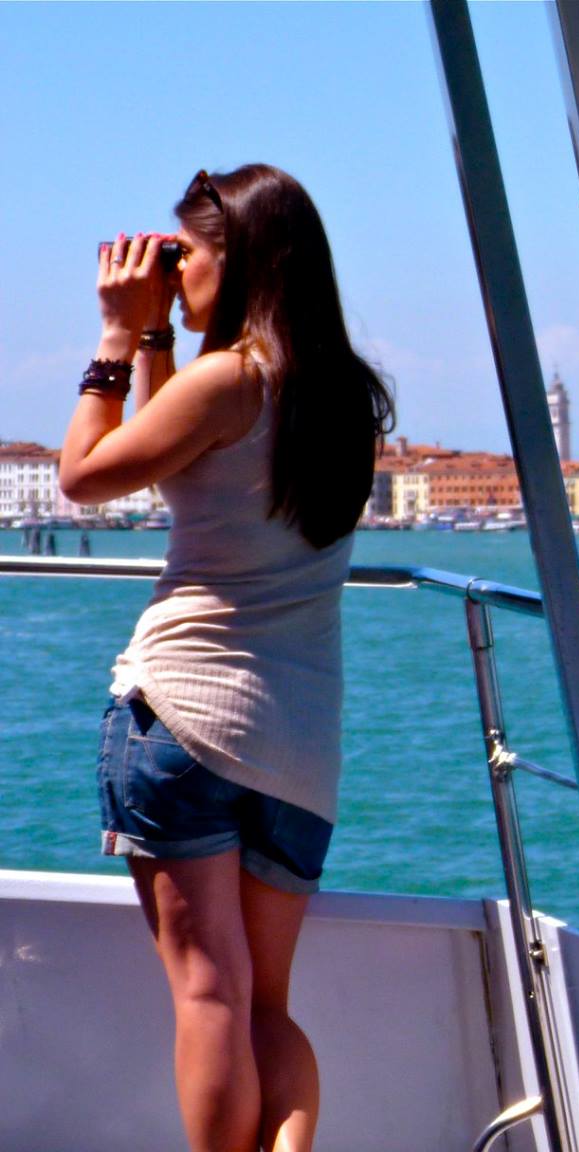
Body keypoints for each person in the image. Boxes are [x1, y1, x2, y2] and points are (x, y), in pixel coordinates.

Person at [59, 165, 393, 1152]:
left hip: (184, 716)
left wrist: (116, 336)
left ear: (239, 259)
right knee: (264, 1006)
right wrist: (161, 335)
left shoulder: (229, 380)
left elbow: (85, 477)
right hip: (298, 743)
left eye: (187, 256)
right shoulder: (342, 393)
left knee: (208, 993)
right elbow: (187, 461)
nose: (174, 272)